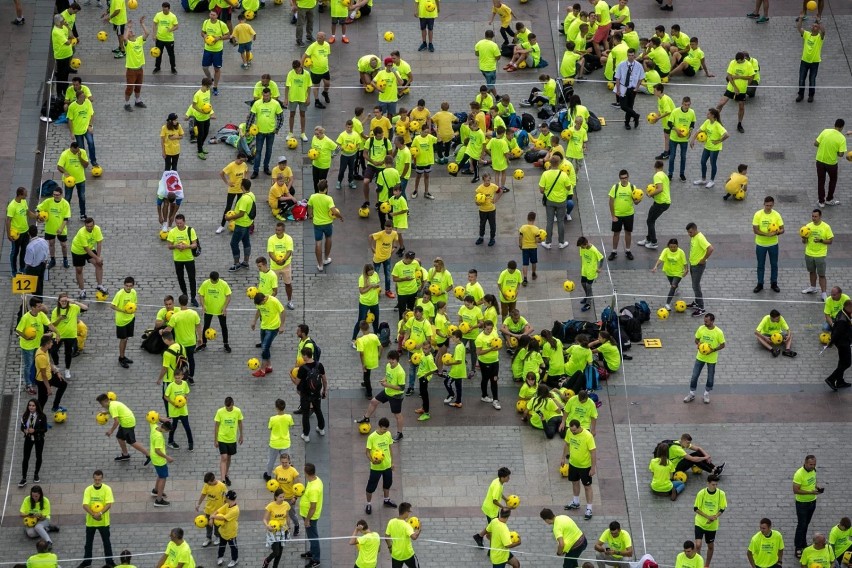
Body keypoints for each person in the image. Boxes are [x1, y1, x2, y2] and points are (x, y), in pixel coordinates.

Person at [356, 350, 406, 439]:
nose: (390, 362)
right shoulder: (388, 366)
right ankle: (366, 417)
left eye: (393, 360)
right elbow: (387, 375)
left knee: (397, 415)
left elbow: (401, 388)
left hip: (396, 396)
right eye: (389, 359)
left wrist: (387, 385)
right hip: (387, 391)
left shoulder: (401, 372)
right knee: (373, 401)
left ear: (397, 360)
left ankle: (400, 433)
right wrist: (384, 379)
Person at [97, 393, 151, 462]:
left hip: (127, 424)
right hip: (126, 421)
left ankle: (148, 455)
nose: (101, 406)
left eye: (101, 404)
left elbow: (116, 422)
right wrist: (106, 413)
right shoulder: (112, 403)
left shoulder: (112, 407)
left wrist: (111, 431)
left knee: (132, 442)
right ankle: (125, 455)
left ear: (105, 401)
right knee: (120, 437)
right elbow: (115, 412)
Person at [685, 313, 725, 404]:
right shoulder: (701, 328)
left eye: (706, 321)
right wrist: (698, 344)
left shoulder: (719, 332)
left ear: (712, 321)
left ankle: (706, 393)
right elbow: (696, 339)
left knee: (710, 378)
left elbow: (723, 345)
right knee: (694, 376)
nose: (705, 323)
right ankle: (692, 393)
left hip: (712, 359)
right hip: (700, 357)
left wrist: (713, 350)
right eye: (704, 321)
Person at [562, 418, 596, 519]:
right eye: (571, 430)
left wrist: (593, 468)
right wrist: (563, 457)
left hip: (585, 466)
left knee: (587, 487)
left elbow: (593, 452)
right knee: (574, 482)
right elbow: (567, 444)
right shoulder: (569, 431)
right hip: (573, 463)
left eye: (574, 430)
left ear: (579, 427)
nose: (573, 432)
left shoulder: (588, 436)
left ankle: (589, 508)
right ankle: (576, 502)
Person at [79, 470, 115, 568]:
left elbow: (109, 504)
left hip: (104, 522)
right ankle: (87, 561)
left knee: (107, 543)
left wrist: (99, 513)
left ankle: (109, 561)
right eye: (95, 479)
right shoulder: (88, 489)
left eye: (99, 479)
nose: (97, 481)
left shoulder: (107, 489)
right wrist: (93, 515)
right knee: (88, 543)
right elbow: (85, 505)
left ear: (102, 478)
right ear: (93, 478)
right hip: (91, 522)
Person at [539, 156, 575, 250]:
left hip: (550, 201)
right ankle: (561, 242)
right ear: (559, 163)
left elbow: (541, 190)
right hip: (561, 201)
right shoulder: (564, 175)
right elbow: (568, 188)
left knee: (550, 221)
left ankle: (548, 242)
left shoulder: (545, 174)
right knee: (560, 221)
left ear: (550, 163)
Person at [247, 88, 284, 179]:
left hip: (271, 132)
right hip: (259, 132)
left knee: (269, 150)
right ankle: (256, 170)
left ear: (270, 94)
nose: (265, 97)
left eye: (267, 95)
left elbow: (280, 117)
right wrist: (248, 129)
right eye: (264, 95)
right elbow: (251, 117)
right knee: (258, 151)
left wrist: (277, 128)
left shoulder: (276, 104)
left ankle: (266, 168)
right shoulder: (257, 103)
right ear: (262, 94)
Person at [293, 347, 327, 443]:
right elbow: (324, 379)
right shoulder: (319, 365)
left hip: (305, 394)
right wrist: (324, 390)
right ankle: (321, 429)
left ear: (305, 356)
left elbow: (297, 382)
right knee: (318, 410)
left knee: (305, 414)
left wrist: (291, 375)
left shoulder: (302, 369)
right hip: (316, 393)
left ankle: (306, 434)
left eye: (302, 355)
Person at [307, 180, 343, 272]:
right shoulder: (329, 199)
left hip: (317, 224)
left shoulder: (313, 197)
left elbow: (309, 207)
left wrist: (310, 215)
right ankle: (326, 258)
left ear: (318, 188)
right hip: (328, 223)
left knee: (318, 243)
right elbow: (334, 211)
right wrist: (340, 217)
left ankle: (320, 265)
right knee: (328, 238)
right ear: (326, 189)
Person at [752, 196, 784, 293]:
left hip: (773, 244)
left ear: (773, 204)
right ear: (764, 204)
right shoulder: (758, 214)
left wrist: (777, 232)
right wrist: (767, 234)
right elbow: (755, 230)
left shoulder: (777, 215)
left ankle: (774, 283)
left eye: (770, 205)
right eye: (767, 205)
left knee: (774, 265)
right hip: (761, 244)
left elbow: (782, 229)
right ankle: (760, 284)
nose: (768, 207)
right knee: (760, 265)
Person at [364, 416, 396, 514]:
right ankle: (368, 504)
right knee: (371, 487)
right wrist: (372, 461)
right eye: (384, 429)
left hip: (387, 466)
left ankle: (386, 500)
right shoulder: (372, 437)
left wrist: (392, 462)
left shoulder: (388, 434)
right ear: (379, 426)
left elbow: (390, 448)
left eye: (386, 429)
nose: (385, 431)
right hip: (376, 468)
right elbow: (367, 452)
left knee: (387, 484)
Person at [715, 52, 753, 134]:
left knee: (741, 107)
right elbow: (729, 76)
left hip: (742, 90)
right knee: (720, 104)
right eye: (736, 61)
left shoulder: (748, 65)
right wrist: (735, 87)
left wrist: (739, 77)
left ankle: (739, 124)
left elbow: (750, 77)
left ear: (743, 59)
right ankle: (716, 121)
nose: (737, 62)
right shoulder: (733, 62)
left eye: (738, 61)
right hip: (731, 88)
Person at [693, 474, 726, 567]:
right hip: (700, 523)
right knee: (698, 545)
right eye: (713, 484)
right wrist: (708, 517)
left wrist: (715, 517)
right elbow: (696, 508)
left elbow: (722, 508)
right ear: (708, 483)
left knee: (710, 546)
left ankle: (706, 565)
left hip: (712, 525)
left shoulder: (721, 494)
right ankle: (699, 564)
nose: (715, 486)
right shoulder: (701, 493)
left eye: (716, 485)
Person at [793, 455, 823, 558]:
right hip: (802, 504)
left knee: (806, 524)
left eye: (814, 464)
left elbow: (814, 480)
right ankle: (798, 547)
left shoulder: (813, 470)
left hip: (812, 502)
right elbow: (795, 490)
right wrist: (810, 492)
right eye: (811, 464)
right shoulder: (799, 474)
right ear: (805, 463)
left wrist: (817, 487)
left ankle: (803, 543)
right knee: (801, 525)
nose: (813, 466)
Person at [166, 294, 201, 381]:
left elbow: (169, 329)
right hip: (191, 342)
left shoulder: (175, 316)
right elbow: (198, 326)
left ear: (179, 303)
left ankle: (181, 376)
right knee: (191, 359)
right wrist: (200, 338)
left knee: (180, 360)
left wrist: (161, 331)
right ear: (187, 302)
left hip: (180, 344)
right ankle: (191, 376)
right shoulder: (194, 313)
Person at [48, 295, 84, 379]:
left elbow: (85, 308)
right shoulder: (55, 311)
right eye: (62, 301)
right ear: (59, 301)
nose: (63, 302)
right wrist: (59, 318)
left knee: (68, 353)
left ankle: (67, 369)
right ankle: (56, 365)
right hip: (58, 335)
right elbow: (53, 325)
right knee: (53, 351)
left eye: (65, 300)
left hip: (70, 335)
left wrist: (74, 302)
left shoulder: (73, 307)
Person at [690, 109, 728, 188]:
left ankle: (712, 181)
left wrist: (718, 141)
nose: (707, 115)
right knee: (703, 162)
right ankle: (703, 179)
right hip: (707, 146)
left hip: (714, 148)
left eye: (708, 114)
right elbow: (698, 131)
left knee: (712, 163)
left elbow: (726, 134)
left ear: (713, 115)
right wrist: (692, 140)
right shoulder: (707, 122)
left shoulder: (717, 125)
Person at [474, 467, 510, 548]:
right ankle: (491, 547)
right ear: (502, 477)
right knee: (492, 528)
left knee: (491, 525)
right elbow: (495, 501)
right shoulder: (498, 486)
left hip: (488, 507)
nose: (509, 478)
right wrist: (503, 507)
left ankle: (479, 536)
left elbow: (499, 493)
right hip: (491, 510)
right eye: (508, 477)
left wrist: (506, 499)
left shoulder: (497, 481)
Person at [637, 160, 670, 251]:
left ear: (655, 167)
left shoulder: (657, 176)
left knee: (650, 221)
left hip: (661, 203)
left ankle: (654, 242)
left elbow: (660, 189)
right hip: (664, 202)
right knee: (651, 219)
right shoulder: (664, 175)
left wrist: (650, 194)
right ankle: (648, 239)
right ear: (662, 167)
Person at [813, 119, 846, 208]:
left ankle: (821, 202)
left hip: (820, 160)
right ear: (842, 127)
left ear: (834, 124)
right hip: (831, 163)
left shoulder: (825, 131)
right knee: (833, 180)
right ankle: (829, 199)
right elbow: (841, 154)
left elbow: (816, 143)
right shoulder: (842, 138)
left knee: (821, 181)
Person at [224, 179, 255, 272]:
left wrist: (230, 218)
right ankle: (245, 262)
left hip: (241, 224)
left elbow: (241, 213)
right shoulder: (251, 195)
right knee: (246, 242)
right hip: (247, 223)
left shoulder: (244, 199)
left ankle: (236, 264)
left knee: (233, 243)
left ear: (242, 186)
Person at [37, 184, 71, 269]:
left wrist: (61, 228)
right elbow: (38, 209)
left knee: (63, 245)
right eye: (54, 194)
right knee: (51, 244)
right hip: (50, 228)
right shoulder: (48, 201)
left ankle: (65, 259)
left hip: (61, 229)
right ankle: (52, 260)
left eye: (57, 195)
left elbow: (66, 218)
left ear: (61, 194)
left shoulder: (65, 204)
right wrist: (38, 217)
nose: (55, 196)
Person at [801, 209, 832, 298]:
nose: (814, 218)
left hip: (820, 255)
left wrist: (821, 240)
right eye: (812, 216)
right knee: (811, 272)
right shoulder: (808, 226)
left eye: (816, 216)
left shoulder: (826, 227)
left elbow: (830, 241)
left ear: (820, 216)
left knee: (821, 274)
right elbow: (804, 242)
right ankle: (813, 287)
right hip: (809, 253)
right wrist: (803, 238)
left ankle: (824, 293)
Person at [198, 271, 232, 352]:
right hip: (208, 310)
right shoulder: (205, 284)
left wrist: (224, 307)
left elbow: (228, 296)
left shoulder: (223, 284)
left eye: (216, 281)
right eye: (214, 281)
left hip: (221, 310)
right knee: (206, 326)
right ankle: (204, 343)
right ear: (210, 279)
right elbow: (201, 295)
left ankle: (226, 343)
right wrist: (203, 306)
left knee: (224, 326)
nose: (215, 282)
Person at [608, 169, 639, 260]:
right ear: (620, 178)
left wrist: (639, 199)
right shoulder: (615, 187)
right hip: (617, 215)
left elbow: (636, 202)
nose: (624, 180)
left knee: (628, 233)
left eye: (625, 177)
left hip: (629, 214)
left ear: (628, 177)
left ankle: (628, 251)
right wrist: (613, 216)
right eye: (622, 178)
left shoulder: (633, 187)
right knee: (616, 234)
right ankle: (614, 251)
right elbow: (610, 202)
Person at [214, 396, 244, 486]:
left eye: (230, 407)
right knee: (224, 458)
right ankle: (223, 479)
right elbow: (216, 426)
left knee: (229, 458)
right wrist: (215, 439)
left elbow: (240, 423)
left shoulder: (237, 411)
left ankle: (226, 474)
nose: (228, 409)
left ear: (233, 404)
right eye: (227, 407)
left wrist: (241, 435)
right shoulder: (220, 412)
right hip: (222, 438)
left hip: (232, 439)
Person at [651, 238, 687, 311]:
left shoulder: (681, 252)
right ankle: (676, 287)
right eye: (671, 247)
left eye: (674, 247)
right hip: (668, 271)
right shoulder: (666, 250)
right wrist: (655, 266)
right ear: (668, 246)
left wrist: (686, 270)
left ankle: (667, 304)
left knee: (673, 286)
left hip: (678, 272)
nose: (672, 248)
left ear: (677, 246)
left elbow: (685, 263)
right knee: (672, 284)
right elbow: (660, 259)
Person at [685, 223, 713, 317]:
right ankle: (697, 302)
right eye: (688, 232)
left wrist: (703, 259)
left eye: (690, 232)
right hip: (693, 264)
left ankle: (701, 308)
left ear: (694, 229)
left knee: (696, 286)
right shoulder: (694, 237)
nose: (689, 234)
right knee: (694, 285)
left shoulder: (700, 237)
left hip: (698, 266)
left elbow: (710, 249)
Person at [57, 142, 89, 222]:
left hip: (80, 179)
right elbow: (59, 166)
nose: (75, 152)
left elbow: (86, 165)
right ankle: (65, 216)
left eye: (77, 150)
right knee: (68, 197)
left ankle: (82, 214)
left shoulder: (82, 152)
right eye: (74, 151)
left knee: (82, 197)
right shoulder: (65, 154)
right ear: (70, 148)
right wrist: (65, 172)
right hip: (69, 181)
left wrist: (80, 157)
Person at [19, 400, 48, 489]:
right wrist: (24, 430)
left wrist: (35, 431)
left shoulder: (42, 416)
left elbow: (45, 429)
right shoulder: (25, 416)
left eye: (33, 405)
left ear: (36, 407)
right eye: (30, 405)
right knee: (25, 458)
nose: (31, 407)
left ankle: (36, 474)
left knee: (38, 456)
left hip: (38, 439)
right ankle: (24, 477)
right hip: (28, 438)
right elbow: (22, 427)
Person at [201, 10, 229, 96]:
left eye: (213, 15)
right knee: (205, 67)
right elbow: (202, 32)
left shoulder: (222, 24)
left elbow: (228, 35)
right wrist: (205, 36)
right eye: (211, 14)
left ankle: (215, 86)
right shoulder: (206, 22)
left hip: (217, 50)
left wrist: (219, 38)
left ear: (217, 16)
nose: (211, 16)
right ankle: (210, 79)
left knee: (217, 69)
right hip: (207, 49)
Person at [164, 366, 192, 452]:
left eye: (179, 378)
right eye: (176, 378)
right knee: (174, 426)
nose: (177, 379)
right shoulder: (171, 386)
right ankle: (170, 441)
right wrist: (174, 403)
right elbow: (165, 396)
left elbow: (186, 393)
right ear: (174, 377)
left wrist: (185, 400)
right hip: (174, 410)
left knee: (187, 427)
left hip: (183, 410)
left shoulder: (184, 384)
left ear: (182, 376)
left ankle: (191, 443)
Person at [300, 463, 323, 568]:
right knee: (311, 536)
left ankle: (316, 560)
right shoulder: (315, 479)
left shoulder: (314, 488)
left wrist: (307, 520)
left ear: (306, 473)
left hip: (311, 517)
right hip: (307, 515)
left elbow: (313, 507)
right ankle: (312, 552)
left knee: (313, 537)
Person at [825, 300, 852, 390]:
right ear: (848, 307)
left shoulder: (843, 312)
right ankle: (831, 379)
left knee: (842, 361)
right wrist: (831, 342)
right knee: (847, 363)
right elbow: (837, 332)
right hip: (843, 343)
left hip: (843, 341)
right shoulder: (843, 320)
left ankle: (840, 381)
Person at [272, 454, 301, 536]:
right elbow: (275, 481)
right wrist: (274, 490)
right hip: (280, 497)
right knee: (281, 514)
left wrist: (295, 497)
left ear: (289, 461)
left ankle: (297, 525)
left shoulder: (293, 472)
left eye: (286, 462)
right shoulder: (277, 469)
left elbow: (298, 486)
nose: (284, 464)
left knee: (291, 514)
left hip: (290, 497)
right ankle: (286, 529)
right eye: (282, 462)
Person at [264, 399, 293, 481]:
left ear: (276, 408)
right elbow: (290, 425)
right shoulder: (288, 417)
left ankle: (268, 475)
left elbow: (270, 428)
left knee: (271, 461)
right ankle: (287, 474)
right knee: (286, 460)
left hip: (274, 443)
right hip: (285, 442)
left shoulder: (272, 419)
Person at [796, 20, 825, 103]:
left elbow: (823, 31)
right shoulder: (807, 34)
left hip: (815, 62)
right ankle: (800, 95)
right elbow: (799, 28)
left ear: (818, 28)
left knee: (812, 79)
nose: (813, 27)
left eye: (815, 26)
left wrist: (820, 21)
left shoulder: (820, 37)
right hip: (804, 61)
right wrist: (801, 19)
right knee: (801, 79)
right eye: (812, 26)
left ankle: (811, 95)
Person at [614, 49, 644, 129]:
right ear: (627, 55)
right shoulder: (621, 64)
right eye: (629, 55)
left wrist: (637, 88)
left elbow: (641, 78)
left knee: (630, 106)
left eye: (632, 55)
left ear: (635, 55)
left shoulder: (638, 66)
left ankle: (627, 123)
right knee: (623, 106)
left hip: (632, 89)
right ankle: (636, 115)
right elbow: (617, 78)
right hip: (623, 87)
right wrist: (618, 90)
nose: (631, 57)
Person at [195, 472, 226, 547]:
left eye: (209, 483)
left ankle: (217, 537)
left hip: (218, 511)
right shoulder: (206, 485)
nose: (208, 484)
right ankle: (208, 538)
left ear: (213, 480)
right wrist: (198, 504)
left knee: (217, 525)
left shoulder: (222, 486)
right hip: (208, 510)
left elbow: (226, 497)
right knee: (208, 525)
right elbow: (203, 494)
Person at [386, 502, 421, 567]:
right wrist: (419, 530)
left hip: (396, 555)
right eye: (409, 511)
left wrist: (390, 547)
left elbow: (386, 536)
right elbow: (414, 537)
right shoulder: (406, 525)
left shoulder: (391, 522)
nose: (409, 514)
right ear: (406, 512)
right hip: (408, 554)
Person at [262, 489, 290, 568]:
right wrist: (267, 526)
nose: (282, 499)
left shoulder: (286, 505)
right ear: (275, 497)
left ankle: (275, 566)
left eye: (283, 497)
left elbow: (287, 516)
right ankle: (267, 560)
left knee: (280, 551)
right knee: (276, 552)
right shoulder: (271, 506)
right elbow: (264, 519)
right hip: (273, 531)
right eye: (280, 497)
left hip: (283, 530)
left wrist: (289, 526)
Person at [211, 490, 240, 567]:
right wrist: (212, 517)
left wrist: (213, 517)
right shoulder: (227, 505)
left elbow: (224, 518)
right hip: (223, 531)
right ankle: (220, 557)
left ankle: (235, 559)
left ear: (228, 498)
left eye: (226, 497)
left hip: (231, 532)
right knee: (222, 546)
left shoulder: (235, 510)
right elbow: (218, 511)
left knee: (233, 547)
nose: (225, 498)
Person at [149, 417, 174, 507]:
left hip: (154, 458)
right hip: (159, 460)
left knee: (160, 475)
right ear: (166, 429)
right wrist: (168, 457)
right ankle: (159, 500)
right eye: (168, 431)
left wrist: (162, 418)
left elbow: (152, 417)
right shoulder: (159, 437)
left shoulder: (154, 427)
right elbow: (158, 451)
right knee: (163, 478)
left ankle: (155, 490)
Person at [284, 60, 311, 141]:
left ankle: (303, 133)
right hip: (293, 97)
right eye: (295, 69)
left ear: (300, 66)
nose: (296, 71)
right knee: (292, 114)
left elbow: (309, 86)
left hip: (303, 98)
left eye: (297, 69)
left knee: (302, 115)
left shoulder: (306, 74)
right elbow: (287, 87)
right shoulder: (290, 73)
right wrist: (286, 98)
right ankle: (290, 133)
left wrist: (308, 97)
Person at [576, 236, 603, 313]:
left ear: (586, 243)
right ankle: (587, 296)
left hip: (591, 271)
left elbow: (601, 258)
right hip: (584, 270)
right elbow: (582, 256)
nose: (581, 248)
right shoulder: (582, 248)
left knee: (588, 286)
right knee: (583, 283)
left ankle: (588, 303)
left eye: (582, 246)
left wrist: (600, 268)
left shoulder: (593, 250)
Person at [152, 2, 178, 74]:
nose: (164, 11)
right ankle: (157, 67)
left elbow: (176, 26)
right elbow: (154, 24)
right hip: (159, 39)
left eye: (166, 10)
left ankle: (173, 68)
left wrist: (171, 29)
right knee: (158, 53)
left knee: (171, 54)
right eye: (163, 9)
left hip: (169, 39)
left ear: (169, 9)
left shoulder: (173, 16)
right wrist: (154, 34)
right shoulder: (158, 15)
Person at [51, 15, 73, 96]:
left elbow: (71, 35)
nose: (65, 21)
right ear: (59, 22)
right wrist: (70, 39)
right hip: (61, 56)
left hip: (67, 54)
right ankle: (59, 92)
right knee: (61, 75)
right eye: (63, 20)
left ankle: (65, 87)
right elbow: (68, 42)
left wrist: (68, 27)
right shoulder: (56, 32)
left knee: (66, 72)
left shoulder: (63, 27)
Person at [475, 29, 501, 97]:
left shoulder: (479, 43)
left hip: (482, 67)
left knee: (490, 83)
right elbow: (498, 57)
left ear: (485, 35)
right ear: (492, 36)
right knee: (490, 85)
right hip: (491, 68)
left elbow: (477, 53)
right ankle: (484, 96)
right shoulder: (494, 45)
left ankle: (496, 96)